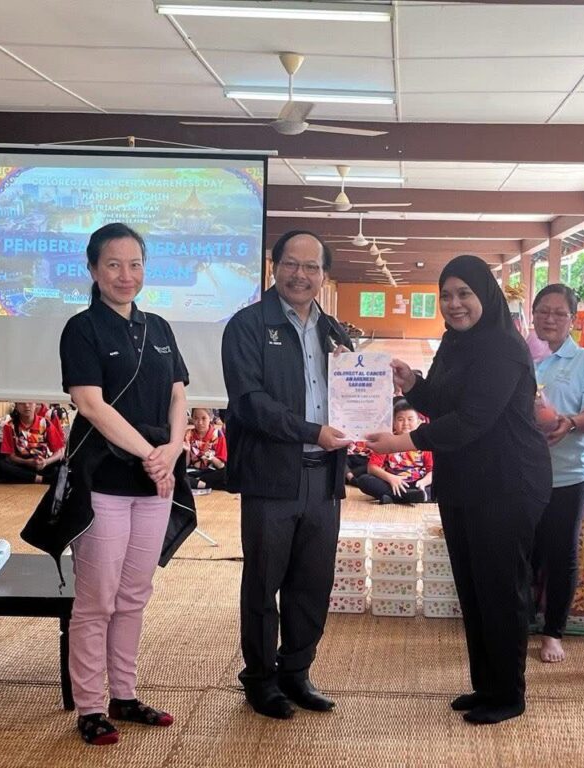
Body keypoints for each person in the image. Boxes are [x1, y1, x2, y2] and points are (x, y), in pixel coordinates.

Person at [367, 255, 552, 725]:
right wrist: (413, 384)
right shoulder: (455, 341)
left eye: (464, 293)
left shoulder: (503, 347)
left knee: (501, 589)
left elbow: (472, 420)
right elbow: (445, 402)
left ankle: (508, 694)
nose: (455, 304)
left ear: (485, 294)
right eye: (446, 295)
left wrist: (401, 442)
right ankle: (486, 685)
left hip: (507, 483)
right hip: (464, 481)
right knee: (472, 587)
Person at [59, 223, 191, 744]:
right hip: (104, 482)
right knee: (97, 599)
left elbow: (179, 394)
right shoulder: (82, 329)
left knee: (135, 594)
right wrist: (151, 454)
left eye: (135, 264)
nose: (125, 275)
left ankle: (125, 695)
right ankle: (91, 707)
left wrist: (173, 449)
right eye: (113, 264)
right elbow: (90, 405)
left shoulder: (159, 327)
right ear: (93, 269)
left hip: (156, 483)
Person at [221, 230, 354, 720]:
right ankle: (260, 679)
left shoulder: (334, 331)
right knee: (263, 583)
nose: (301, 275)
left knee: (312, 583)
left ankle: (297, 671)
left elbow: (353, 394)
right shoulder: (248, 325)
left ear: (324, 275)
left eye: (312, 267)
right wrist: (311, 431)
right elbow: (249, 403)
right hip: (271, 477)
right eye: (291, 265)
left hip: (324, 479)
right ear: (274, 267)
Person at [529, 284, 584, 663]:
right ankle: (519, 620)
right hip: (520, 475)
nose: (550, 318)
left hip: (568, 475)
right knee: (521, 552)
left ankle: (553, 632)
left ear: (572, 319)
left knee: (561, 553)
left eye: (559, 313)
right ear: (532, 315)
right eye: (543, 311)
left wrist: (571, 423)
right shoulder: (518, 356)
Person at [356, 399, 433, 504]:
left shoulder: (423, 442)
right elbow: (372, 468)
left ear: (419, 421)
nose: (405, 423)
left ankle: (394, 497)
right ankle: (411, 497)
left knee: (444, 481)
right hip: (392, 483)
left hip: (417, 484)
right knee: (364, 480)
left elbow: (432, 471)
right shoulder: (386, 441)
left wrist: (423, 482)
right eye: (400, 419)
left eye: (410, 419)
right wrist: (391, 478)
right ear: (393, 423)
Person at [0, 401, 66, 484]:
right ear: (16, 406)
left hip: (43, 465)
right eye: (22, 403)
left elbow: (59, 451)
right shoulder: (9, 426)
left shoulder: (45, 423)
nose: (26, 405)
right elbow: (11, 456)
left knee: (62, 464)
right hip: (22, 465)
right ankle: (40, 479)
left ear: (36, 404)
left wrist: (46, 462)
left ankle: (29, 478)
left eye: (30, 402)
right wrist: (27, 462)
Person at [184, 407, 227, 491]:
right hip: (193, 471)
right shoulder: (188, 434)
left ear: (210, 418)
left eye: (204, 418)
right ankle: (206, 485)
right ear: (192, 419)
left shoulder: (218, 434)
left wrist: (211, 457)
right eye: (196, 418)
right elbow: (185, 464)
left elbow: (221, 465)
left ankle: (197, 483)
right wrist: (188, 451)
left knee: (226, 474)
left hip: (211, 471)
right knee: (176, 474)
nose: (200, 422)